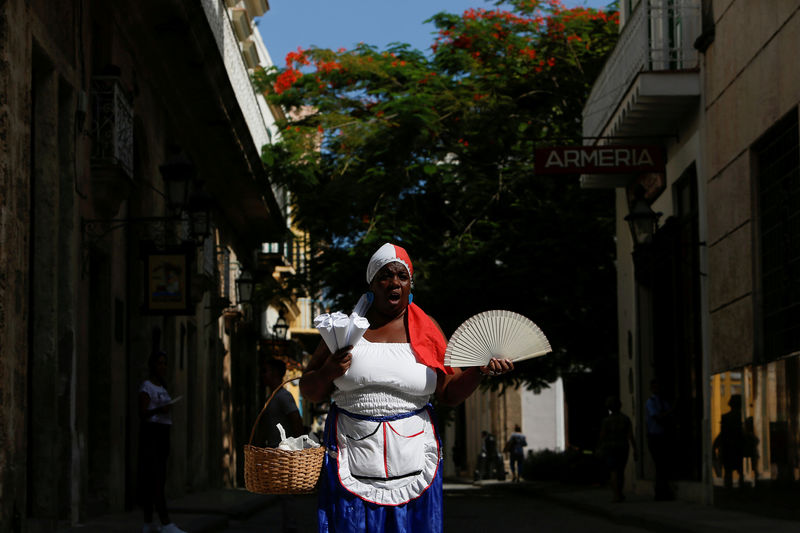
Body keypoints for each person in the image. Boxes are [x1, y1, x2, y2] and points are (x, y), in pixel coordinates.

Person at [300, 242, 514, 533]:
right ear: (372, 283)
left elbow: (449, 393)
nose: (395, 283)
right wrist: (328, 371)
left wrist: (479, 370)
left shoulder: (427, 330)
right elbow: (309, 389)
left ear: (410, 284)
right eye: (386, 275)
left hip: (413, 460)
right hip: (353, 456)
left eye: (403, 276)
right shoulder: (344, 331)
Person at [138, 351, 186, 533]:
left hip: (163, 435)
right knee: (155, 479)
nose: (163, 367)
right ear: (152, 366)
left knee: (158, 478)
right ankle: (165, 523)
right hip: (152, 435)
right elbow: (142, 413)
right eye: (159, 363)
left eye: (165, 363)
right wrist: (160, 409)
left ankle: (149, 522)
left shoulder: (163, 388)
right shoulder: (146, 387)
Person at [255, 357, 304, 533]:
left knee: (285, 491)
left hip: (283, 451)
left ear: (275, 373)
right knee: (280, 491)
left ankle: (290, 527)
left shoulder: (284, 396)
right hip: (274, 450)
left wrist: (298, 448)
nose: (263, 375)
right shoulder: (272, 397)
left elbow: (296, 419)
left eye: (265, 371)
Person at [597, 396, 636, 502]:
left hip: (610, 448)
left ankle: (616, 495)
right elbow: (630, 435)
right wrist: (635, 449)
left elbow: (602, 435)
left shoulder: (606, 421)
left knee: (613, 471)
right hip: (623, 447)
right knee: (621, 470)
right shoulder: (626, 419)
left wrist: (600, 447)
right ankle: (620, 492)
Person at [645, 379, 674, 501]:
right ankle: (660, 491)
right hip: (654, 435)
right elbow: (657, 416)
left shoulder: (663, 401)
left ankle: (663, 490)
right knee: (659, 464)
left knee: (663, 464)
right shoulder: (651, 402)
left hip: (662, 435)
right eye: (655, 387)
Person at [712, 394, 744, 489]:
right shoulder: (740, 418)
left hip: (728, 448)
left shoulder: (725, 417)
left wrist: (715, 445)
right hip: (737, 447)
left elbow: (723, 434)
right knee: (740, 470)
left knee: (728, 471)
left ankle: (728, 490)